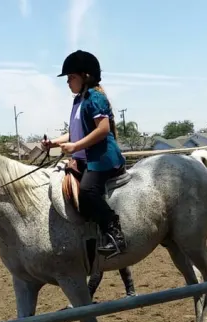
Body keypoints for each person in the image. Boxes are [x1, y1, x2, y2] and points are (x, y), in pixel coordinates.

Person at [42, 50, 127, 256]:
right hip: (85, 158)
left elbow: (103, 129)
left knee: (88, 190)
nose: (68, 82)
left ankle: (115, 233)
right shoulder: (78, 100)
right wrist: (54, 142)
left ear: (86, 76)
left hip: (103, 158)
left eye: (71, 77)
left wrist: (76, 146)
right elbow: (73, 132)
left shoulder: (95, 98)